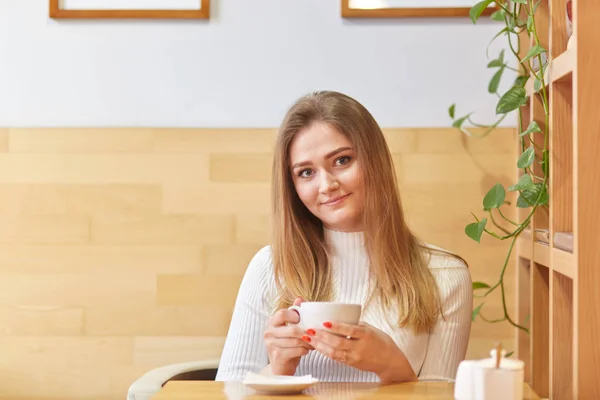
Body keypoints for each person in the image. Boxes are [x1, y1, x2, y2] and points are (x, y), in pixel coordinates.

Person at [214, 90, 473, 383]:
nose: (326, 185)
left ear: (376, 160)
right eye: (306, 172)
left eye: (342, 160)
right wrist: (277, 371)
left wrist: (391, 365)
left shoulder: (445, 275)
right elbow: (227, 392)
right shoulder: (269, 268)